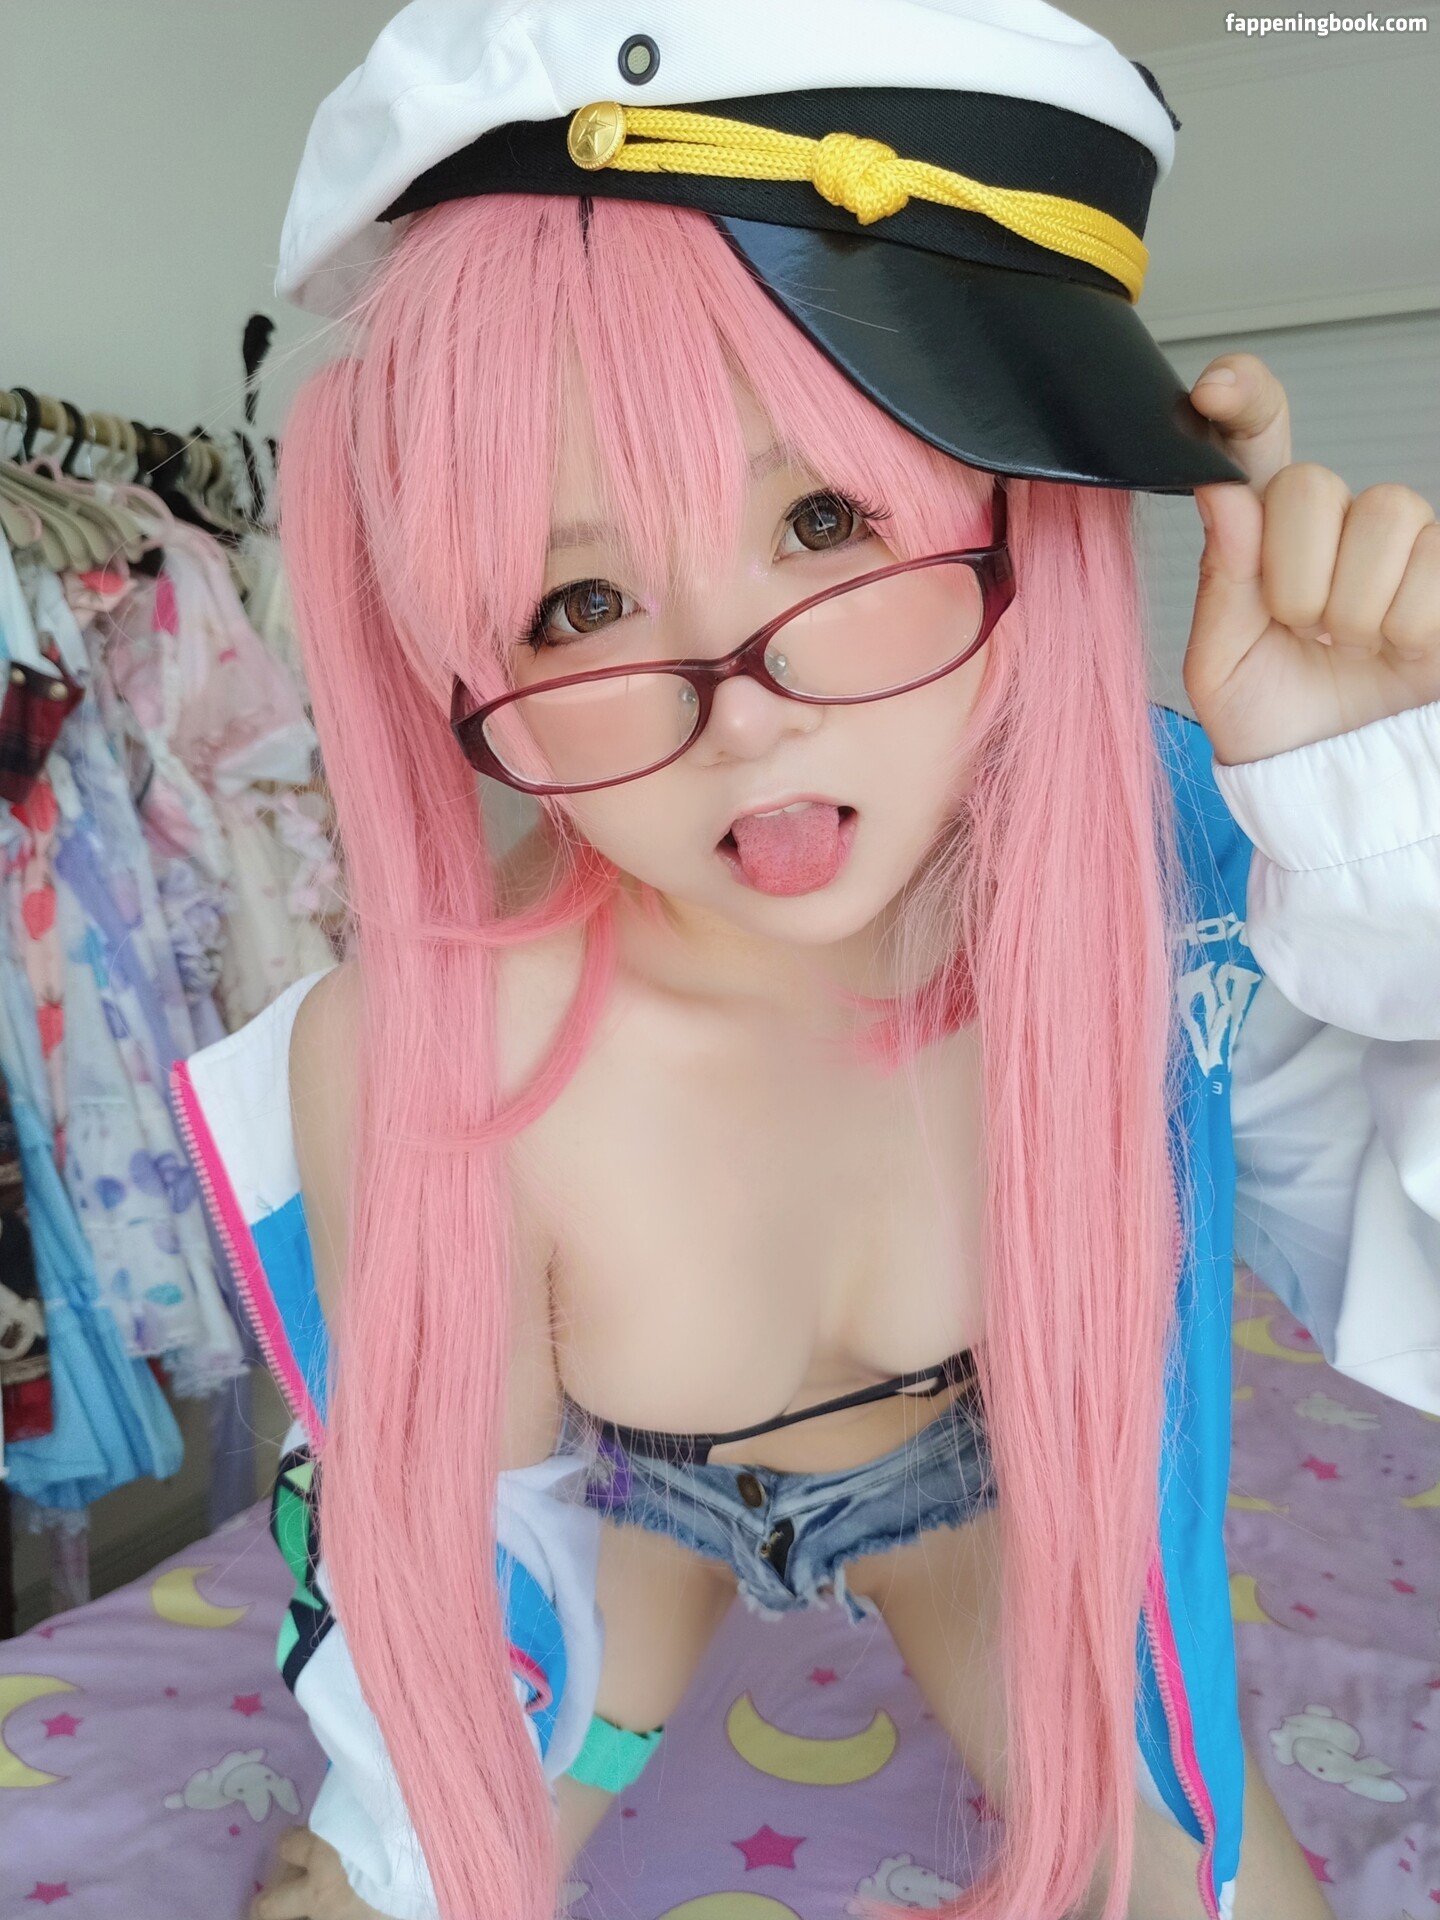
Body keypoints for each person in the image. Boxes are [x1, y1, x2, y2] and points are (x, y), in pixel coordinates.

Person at [170, 5, 1440, 1918]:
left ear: (1017, 503)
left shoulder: (1171, 896)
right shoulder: (436, 1048)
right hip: (637, 1513)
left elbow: (1403, 1273)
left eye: (826, 519)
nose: (748, 710)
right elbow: (447, 1547)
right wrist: (425, 1818)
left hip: (975, 1498)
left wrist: (1383, 857)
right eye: (580, 600)